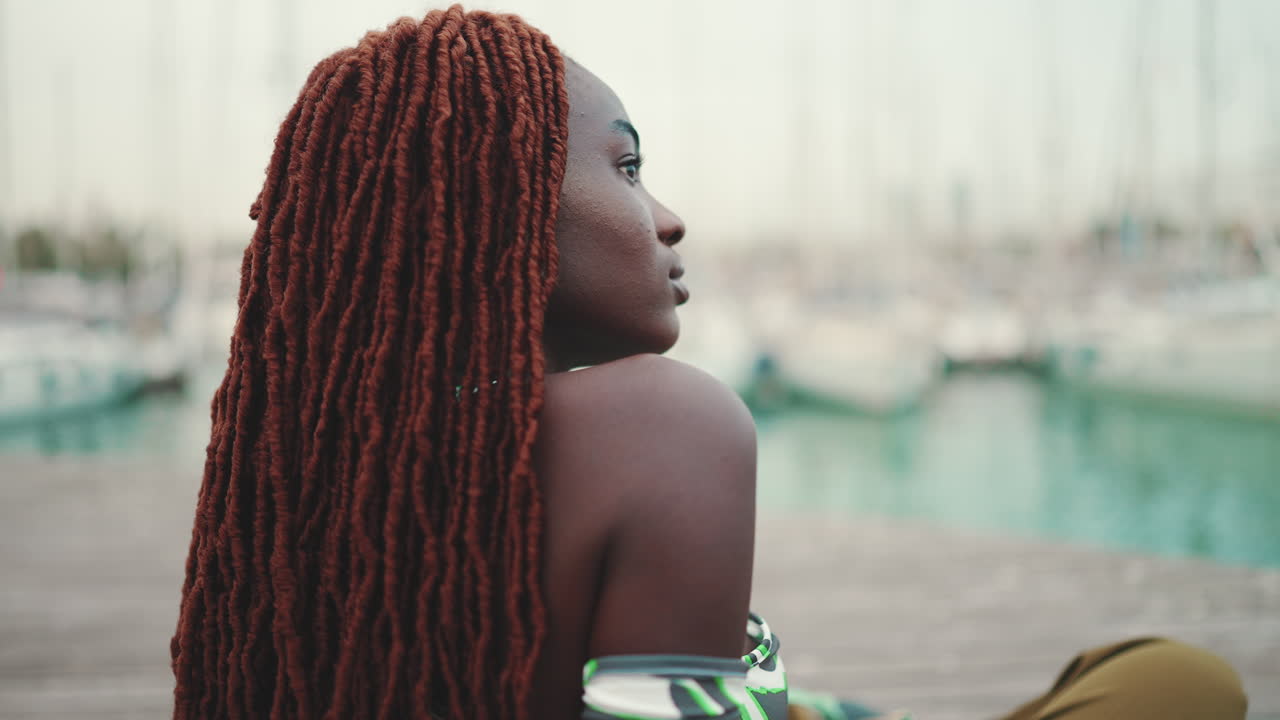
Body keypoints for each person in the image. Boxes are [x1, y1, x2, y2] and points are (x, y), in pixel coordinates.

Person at [170, 7, 1249, 719]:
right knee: (1176, 680)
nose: (668, 218)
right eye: (628, 168)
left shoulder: (309, 481)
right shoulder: (654, 424)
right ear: (487, 205)